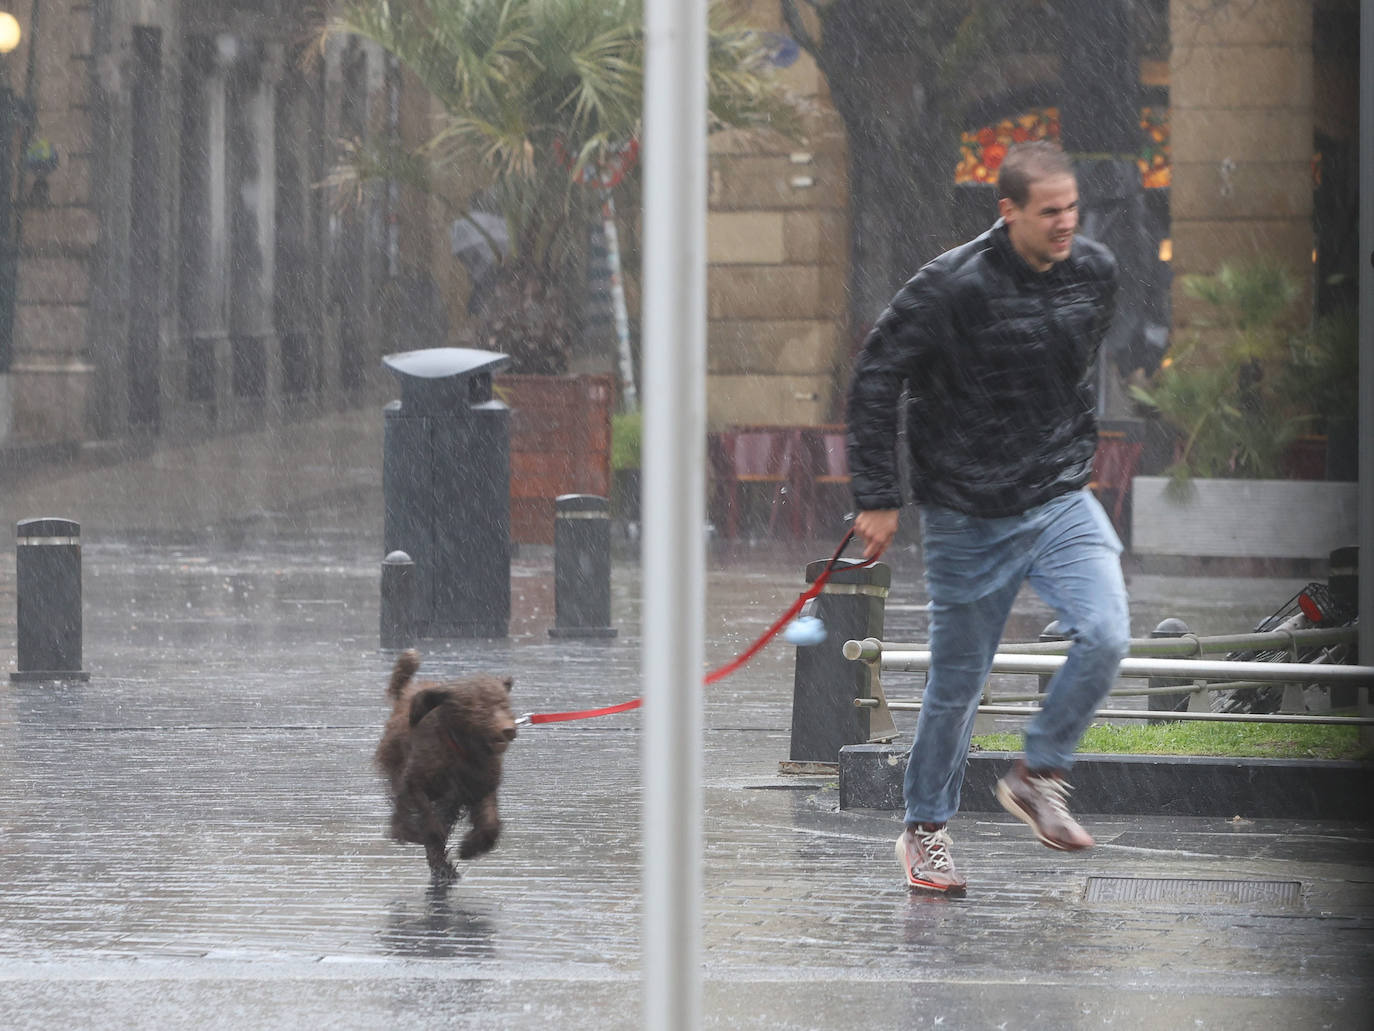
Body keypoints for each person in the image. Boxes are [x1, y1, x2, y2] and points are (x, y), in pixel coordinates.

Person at [845, 141, 1130, 895]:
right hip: (967, 512)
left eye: (1072, 208)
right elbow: (876, 374)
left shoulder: (1095, 271)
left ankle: (1038, 774)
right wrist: (878, 494)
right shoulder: (951, 285)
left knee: (1107, 632)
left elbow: (1069, 373)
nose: (1066, 223)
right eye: (1049, 212)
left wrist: (1058, 446)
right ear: (1008, 212)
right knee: (958, 683)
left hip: (1059, 496)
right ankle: (924, 828)